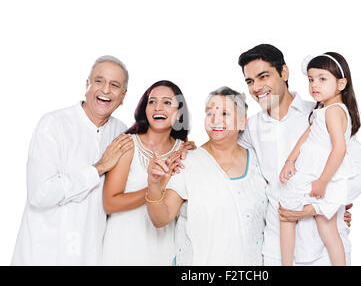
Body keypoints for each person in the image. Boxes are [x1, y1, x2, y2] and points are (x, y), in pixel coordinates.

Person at [237, 44, 361, 266]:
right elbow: (223, 153)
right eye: (250, 81)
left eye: (264, 76)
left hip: (324, 250)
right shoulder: (251, 127)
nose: (257, 87)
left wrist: (320, 207)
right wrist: (187, 148)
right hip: (277, 250)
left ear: (284, 73)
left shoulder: (321, 114)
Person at [12, 55, 134, 265]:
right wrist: (98, 168)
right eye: (99, 81)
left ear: (123, 96)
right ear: (87, 85)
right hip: (45, 255)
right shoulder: (54, 124)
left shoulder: (121, 133)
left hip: (90, 256)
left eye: (114, 85)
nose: (105, 90)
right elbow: (40, 194)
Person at [146, 87, 268, 265]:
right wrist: (154, 184)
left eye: (225, 113)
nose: (215, 120)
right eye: (210, 113)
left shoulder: (260, 162)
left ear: (242, 122)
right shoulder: (188, 162)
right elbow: (161, 219)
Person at [279, 52, 361, 266]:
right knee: (321, 225)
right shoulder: (323, 110)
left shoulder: (334, 111)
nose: (314, 85)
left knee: (288, 213)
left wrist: (323, 181)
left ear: (341, 84)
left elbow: (339, 149)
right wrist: (290, 160)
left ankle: (287, 263)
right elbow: (306, 135)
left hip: (320, 175)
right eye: (311, 79)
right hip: (312, 172)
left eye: (322, 79)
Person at [101, 80, 191, 265]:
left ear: (179, 113)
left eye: (167, 102)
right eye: (152, 102)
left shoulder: (184, 152)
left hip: (163, 246)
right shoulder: (128, 144)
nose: (158, 107)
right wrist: (157, 187)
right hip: (123, 245)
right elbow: (110, 203)